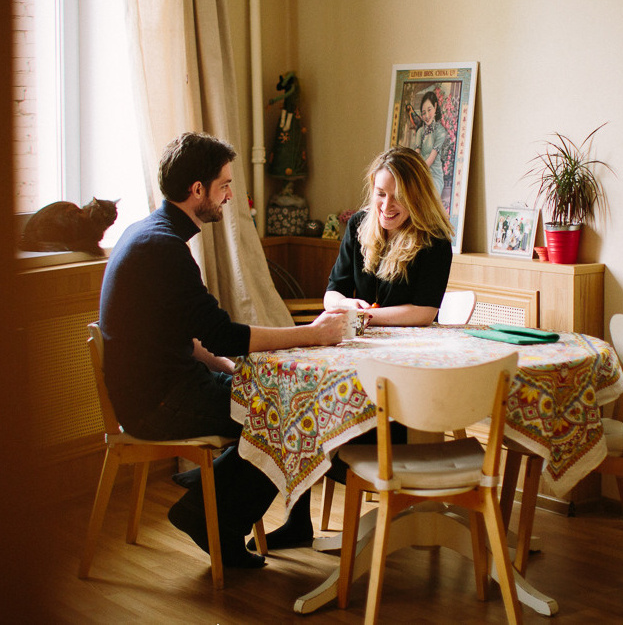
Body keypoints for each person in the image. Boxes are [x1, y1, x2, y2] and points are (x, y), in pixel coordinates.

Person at [99, 132, 346, 569]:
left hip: (164, 386)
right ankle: (206, 513)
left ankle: (224, 496)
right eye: (225, 185)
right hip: (158, 402)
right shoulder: (163, 248)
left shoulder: (148, 233)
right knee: (289, 415)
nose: (231, 195)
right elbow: (222, 333)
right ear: (198, 191)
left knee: (283, 402)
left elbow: (182, 334)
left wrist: (225, 367)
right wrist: (312, 333)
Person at [248, 145, 454, 551]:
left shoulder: (434, 241)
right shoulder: (359, 225)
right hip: (356, 354)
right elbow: (331, 295)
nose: (387, 204)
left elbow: (425, 311)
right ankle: (297, 519)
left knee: (323, 418)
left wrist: (368, 317)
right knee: (302, 401)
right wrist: (346, 306)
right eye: (380, 193)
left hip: (401, 368)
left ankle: (380, 497)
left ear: (418, 197)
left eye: (398, 196)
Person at [414, 90, 448, 196]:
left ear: (435, 107)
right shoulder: (420, 131)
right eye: (423, 113)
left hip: (433, 176)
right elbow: (416, 154)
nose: (427, 115)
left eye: (429, 110)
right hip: (420, 172)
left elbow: (431, 159)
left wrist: (418, 172)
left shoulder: (440, 131)